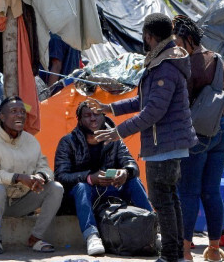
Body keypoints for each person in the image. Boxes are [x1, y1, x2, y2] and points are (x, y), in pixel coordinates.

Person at [90, 13, 198, 262]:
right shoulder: (163, 60)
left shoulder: (166, 66)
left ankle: (171, 254)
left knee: (163, 200)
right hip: (167, 144)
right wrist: (110, 109)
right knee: (169, 199)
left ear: (149, 36)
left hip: (165, 145)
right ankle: (176, 254)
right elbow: (143, 101)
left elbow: (153, 112)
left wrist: (118, 132)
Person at [54, 101, 153, 256]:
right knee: (82, 187)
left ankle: (154, 229)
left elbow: (132, 165)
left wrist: (125, 172)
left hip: (110, 190)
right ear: (79, 120)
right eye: (87, 115)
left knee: (134, 181)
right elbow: (60, 176)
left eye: (96, 114)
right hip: (82, 196)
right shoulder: (68, 142)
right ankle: (92, 236)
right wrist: (89, 178)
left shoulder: (115, 139)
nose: (93, 119)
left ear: (103, 116)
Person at [172, 15, 224, 262]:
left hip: (197, 133)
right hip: (222, 130)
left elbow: (179, 101)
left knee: (188, 193)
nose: (174, 47)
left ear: (187, 39)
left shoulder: (187, 64)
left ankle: (186, 251)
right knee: (211, 192)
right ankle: (215, 251)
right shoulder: (218, 60)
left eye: (176, 41)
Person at [0, 96, 64, 253]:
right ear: (1, 116)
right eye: (14, 111)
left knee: (55, 188)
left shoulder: (31, 141)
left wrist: (41, 177)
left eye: (23, 112)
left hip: (21, 203)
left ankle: (36, 238)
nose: (20, 115)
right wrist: (17, 177)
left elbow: (44, 166)